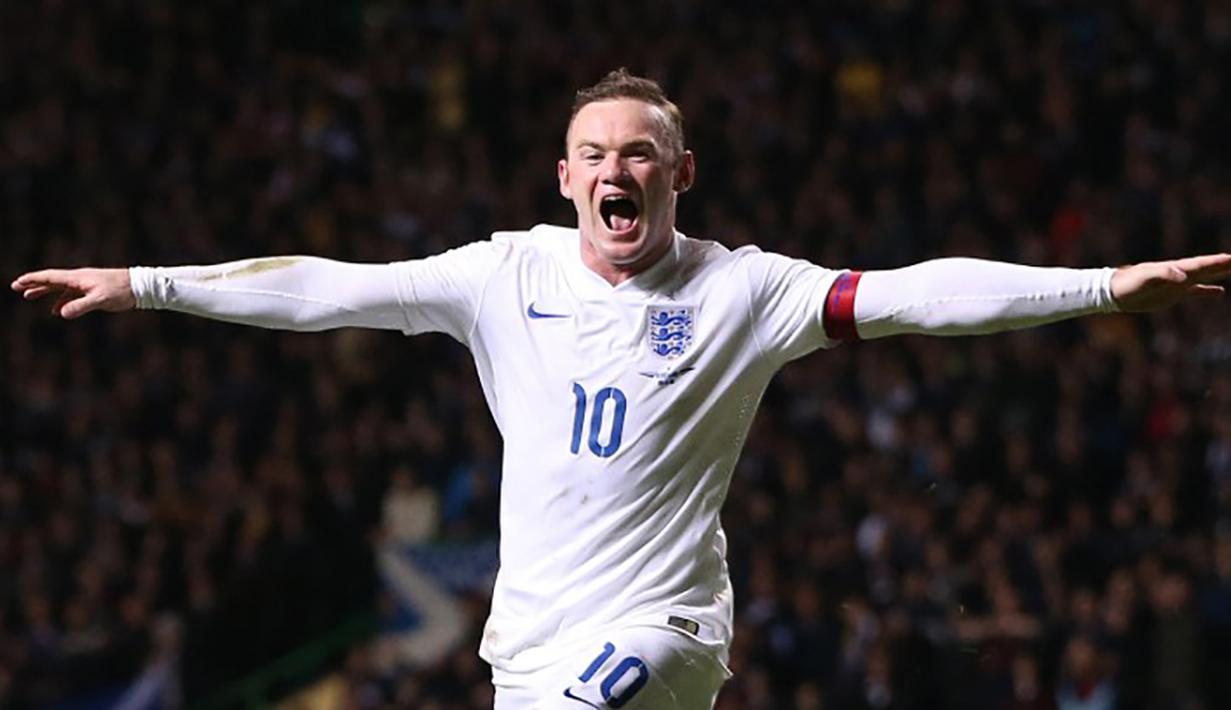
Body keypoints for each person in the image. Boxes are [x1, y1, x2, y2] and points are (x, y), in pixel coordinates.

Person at [11, 69, 1231, 709]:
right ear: (562, 174)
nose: (616, 168)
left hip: (666, 631)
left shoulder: (750, 289)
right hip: (527, 648)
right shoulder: (502, 273)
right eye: (594, 152)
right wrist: (147, 281)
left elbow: (918, 291)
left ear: (681, 170)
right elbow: (328, 289)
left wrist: (1106, 287)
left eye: (638, 150)